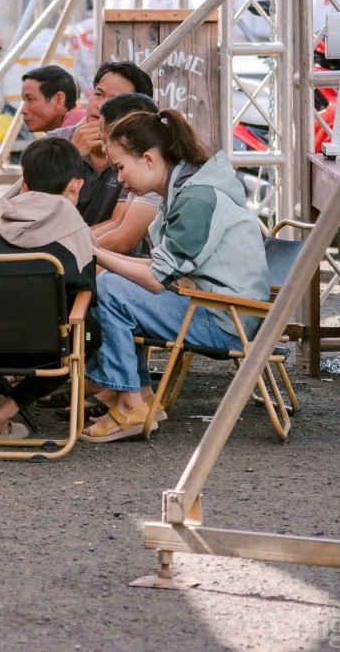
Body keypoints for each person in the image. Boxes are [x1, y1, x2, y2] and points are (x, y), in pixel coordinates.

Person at [80, 108, 270, 442]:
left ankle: (129, 405)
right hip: (224, 309)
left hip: (227, 321)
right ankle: (138, 397)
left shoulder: (197, 197)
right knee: (112, 285)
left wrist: (95, 254)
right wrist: (100, 255)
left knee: (109, 290)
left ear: (149, 159)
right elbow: (161, 268)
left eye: (121, 167)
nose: (120, 179)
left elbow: (155, 278)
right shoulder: (191, 186)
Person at [0, 136, 97, 439]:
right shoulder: (77, 230)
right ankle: (3, 413)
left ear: (25, 184)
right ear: (76, 186)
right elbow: (86, 292)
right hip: (40, 348)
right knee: (91, 332)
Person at [64, 61, 155, 226]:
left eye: (115, 101)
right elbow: (32, 205)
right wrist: (71, 155)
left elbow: (119, 227)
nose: (100, 106)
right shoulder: (54, 142)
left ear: (137, 113)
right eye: (98, 94)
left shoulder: (144, 155)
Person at [90, 92, 163, 256]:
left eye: (106, 140)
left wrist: (73, 254)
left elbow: (122, 241)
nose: (104, 148)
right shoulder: (145, 172)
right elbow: (118, 223)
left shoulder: (151, 175)